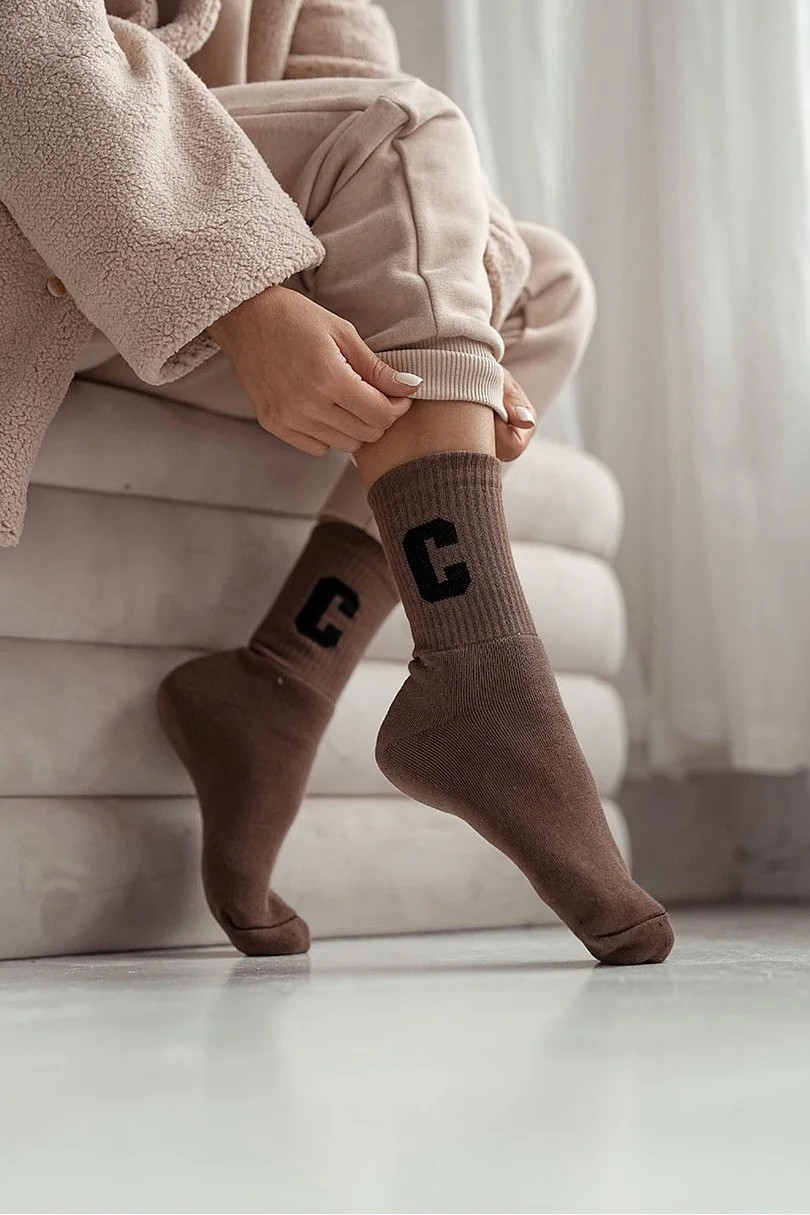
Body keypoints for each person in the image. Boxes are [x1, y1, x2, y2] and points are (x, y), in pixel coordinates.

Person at [0, 0, 674, 965]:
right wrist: (247, 300)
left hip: (168, 243)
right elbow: (23, 45)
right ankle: (479, 670)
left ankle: (282, 680)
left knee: (547, 286)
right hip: (52, 202)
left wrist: (462, 339)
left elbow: (344, 78)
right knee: (398, 131)